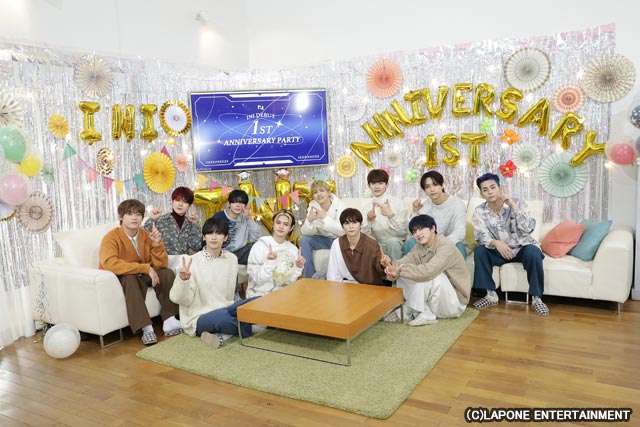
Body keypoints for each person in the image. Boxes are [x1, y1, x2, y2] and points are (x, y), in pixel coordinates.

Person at [99, 199, 181, 345]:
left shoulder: (146, 235)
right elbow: (110, 263)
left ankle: (169, 320)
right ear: (120, 216)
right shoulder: (110, 238)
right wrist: (145, 268)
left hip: (143, 275)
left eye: (138, 214)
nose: (134, 218)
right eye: (129, 214)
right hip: (122, 277)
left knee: (167, 273)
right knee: (130, 278)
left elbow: (161, 264)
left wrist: (157, 244)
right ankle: (146, 328)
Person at [170, 217, 256, 349]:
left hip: (225, 308)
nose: (214, 237)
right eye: (210, 233)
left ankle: (222, 334)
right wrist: (183, 280)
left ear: (225, 237)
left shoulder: (231, 259)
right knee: (225, 319)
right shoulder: (192, 262)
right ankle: (238, 330)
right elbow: (180, 300)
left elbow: (231, 294)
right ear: (204, 237)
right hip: (199, 317)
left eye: (219, 233)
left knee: (257, 301)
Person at [471, 173, 549, 316]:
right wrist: (496, 243)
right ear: (481, 194)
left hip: (521, 248)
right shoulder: (479, 211)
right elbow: (480, 235)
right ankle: (490, 295)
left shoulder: (518, 203)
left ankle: (537, 298)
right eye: (485, 190)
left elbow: (528, 228)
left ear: (500, 188)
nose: (490, 192)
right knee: (480, 251)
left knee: (533, 252)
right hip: (498, 251)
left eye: (493, 187)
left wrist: (513, 206)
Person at [384, 215, 471, 326]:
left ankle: (410, 311)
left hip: (454, 303)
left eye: (421, 229)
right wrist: (391, 268)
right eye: (414, 231)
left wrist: (400, 269)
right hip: (435, 301)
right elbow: (403, 262)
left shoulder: (445, 246)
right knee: (405, 273)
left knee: (432, 275)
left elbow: (428, 272)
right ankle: (425, 312)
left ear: (433, 228)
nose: (417, 234)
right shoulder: (419, 247)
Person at [405, 171, 467, 257]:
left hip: (450, 242)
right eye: (427, 187)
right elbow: (412, 232)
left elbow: (460, 232)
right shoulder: (425, 206)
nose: (432, 189)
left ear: (442, 185)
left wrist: (438, 245)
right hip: (429, 243)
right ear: (424, 190)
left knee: (458, 247)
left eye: (435, 185)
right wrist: (415, 212)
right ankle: (415, 266)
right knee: (410, 242)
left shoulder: (457, 204)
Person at [247, 210, 306, 298]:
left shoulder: (293, 249)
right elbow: (258, 280)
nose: (281, 227)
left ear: (291, 228)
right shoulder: (260, 246)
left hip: (282, 296)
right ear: (273, 223)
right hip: (258, 296)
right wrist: (269, 262)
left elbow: (289, 281)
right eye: (278, 223)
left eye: (286, 224)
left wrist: (298, 267)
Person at [326, 208, 390, 285]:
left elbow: (382, 269)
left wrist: (383, 265)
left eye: (354, 222)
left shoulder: (371, 244)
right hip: (345, 286)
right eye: (347, 223)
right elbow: (333, 275)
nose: (351, 227)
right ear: (342, 226)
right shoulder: (337, 243)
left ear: (361, 224)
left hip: (368, 287)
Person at [143, 187, 202, 269]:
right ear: (172, 201)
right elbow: (143, 236)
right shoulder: (161, 220)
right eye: (177, 200)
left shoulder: (191, 224)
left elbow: (196, 246)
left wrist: (195, 224)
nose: (180, 204)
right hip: (163, 263)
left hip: (184, 265)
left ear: (189, 205)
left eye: (184, 202)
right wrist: (152, 219)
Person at [299, 180, 345, 278]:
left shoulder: (340, 205)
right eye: (315, 192)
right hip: (323, 239)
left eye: (322, 191)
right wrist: (309, 220)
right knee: (304, 240)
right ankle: (309, 277)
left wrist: (325, 218)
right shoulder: (312, 206)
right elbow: (305, 232)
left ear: (328, 192)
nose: (319, 194)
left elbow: (343, 231)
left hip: (339, 240)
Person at [361, 169, 407, 260]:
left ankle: (395, 268)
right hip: (378, 245)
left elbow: (404, 231)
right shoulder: (367, 208)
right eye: (373, 183)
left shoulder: (398, 203)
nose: (377, 186)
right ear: (369, 185)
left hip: (397, 243)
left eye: (380, 183)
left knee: (392, 242)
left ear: (387, 184)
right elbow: (362, 234)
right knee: (369, 245)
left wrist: (390, 215)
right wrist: (369, 220)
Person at [212, 189, 262, 266]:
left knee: (259, 245)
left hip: (239, 254)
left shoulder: (245, 218)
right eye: (235, 202)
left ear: (245, 205)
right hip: (221, 254)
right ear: (229, 203)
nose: (238, 205)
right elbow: (210, 237)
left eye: (241, 202)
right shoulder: (219, 216)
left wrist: (249, 219)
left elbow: (255, 238)